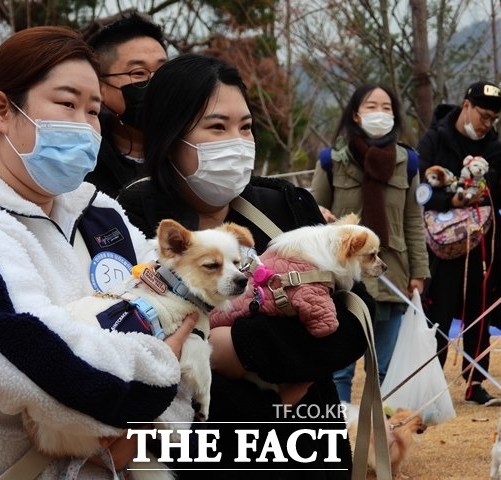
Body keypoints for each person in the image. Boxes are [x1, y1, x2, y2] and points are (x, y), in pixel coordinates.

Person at [0, 26, 196, 479]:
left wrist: (147, 431)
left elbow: (186, 294)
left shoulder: (99, 211)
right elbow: (32, 355)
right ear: (2, 110)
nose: (86, 125)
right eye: (67, 104)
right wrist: (162, 368)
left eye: (94, 111)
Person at [116, 53, 371, 479]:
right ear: (170, 134)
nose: (237, 142)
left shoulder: (287, 206)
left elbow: (355, 317)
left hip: (306, 447)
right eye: (217, 127)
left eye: (246, 127)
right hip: (198, 454)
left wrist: (241, 347)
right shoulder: (124, 220)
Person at [310, 83, 430, 403]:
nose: (380, 113)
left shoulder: (409, 162)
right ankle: (339, 440)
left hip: (392, 274)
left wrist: (419, 272)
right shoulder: (331, 160)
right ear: (355, 114)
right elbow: (310, 218)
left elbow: (413, 222)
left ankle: (382, 441)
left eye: (387, 107)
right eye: (371, 106)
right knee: (340, 369)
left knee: (385, 367)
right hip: (343, 279)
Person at [417, 80, 501, 406]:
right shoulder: (434, 139)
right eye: (483, 116)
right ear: (466, 107)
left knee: (480, 314)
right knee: (439, 316)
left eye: (492, 120)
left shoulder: (495, 147)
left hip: (483, 247)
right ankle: (431, 387)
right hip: (443, 247)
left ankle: (475, 384)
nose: (486, 124)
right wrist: (453, 199)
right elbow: (420, 191)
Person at [83, 13, 168, 197]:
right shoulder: (83, 166)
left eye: (164, 70)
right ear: (100, 87)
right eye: (138, 73)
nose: (157, 83)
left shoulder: (194, 154)